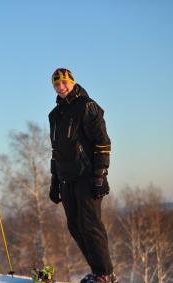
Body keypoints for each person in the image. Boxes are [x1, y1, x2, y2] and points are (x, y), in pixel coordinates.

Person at [47, 68, 118, 283]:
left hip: (87, 176)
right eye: (57, 84)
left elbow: (102, 142)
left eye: (64, 82)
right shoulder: (54, 115)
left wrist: (100, 174)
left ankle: (106, 275)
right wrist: (54, 181)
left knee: (90, 224)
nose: (61, 87)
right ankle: (98, 273)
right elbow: (56, 150)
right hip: (67, 178)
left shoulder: (87, 106)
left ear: (72, 82)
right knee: (75, 226)